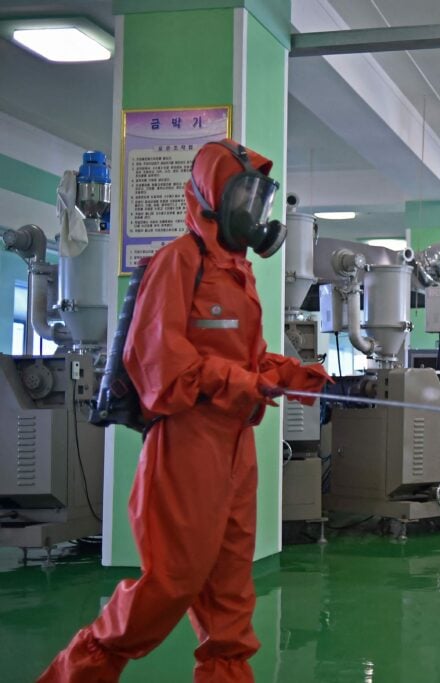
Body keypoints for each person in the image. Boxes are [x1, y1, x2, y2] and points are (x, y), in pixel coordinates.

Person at [39, 140, 329, 683]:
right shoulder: (179, 262)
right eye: (242, 196)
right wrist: (241, 382)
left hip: (236, 446)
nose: (253, 212)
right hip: (186, 444)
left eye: (259, 200)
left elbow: (243, 358)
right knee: (169, 584)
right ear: (210, 197)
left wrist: (291, 373)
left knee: (230, 591)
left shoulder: (239, 273)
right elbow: (159, 364)